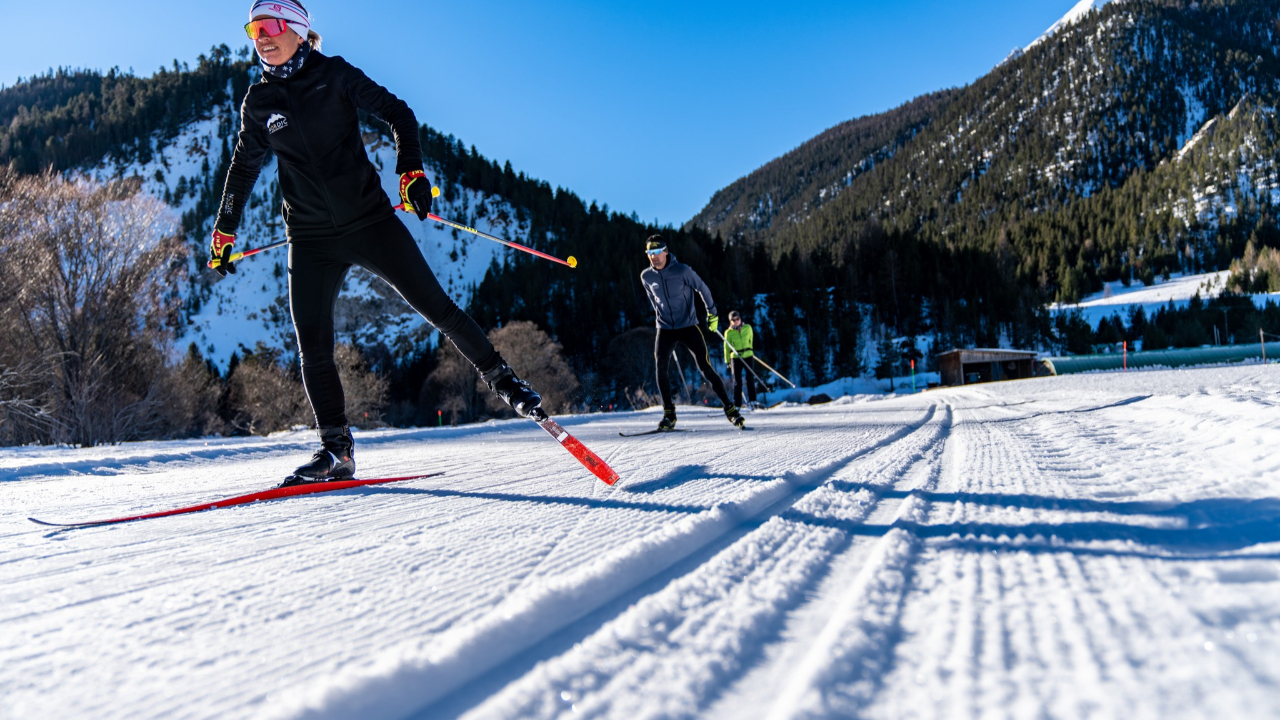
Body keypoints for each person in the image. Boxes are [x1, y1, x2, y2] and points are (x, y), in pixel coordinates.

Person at [211, 0, 542, 485]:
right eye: (254, 28)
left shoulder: (335, 75)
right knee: (313, 346)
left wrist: (411, 169)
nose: (262, 36)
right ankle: (336, 452)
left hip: (370, 221)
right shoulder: (258, 102)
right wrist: (224, 229)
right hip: (309, 238)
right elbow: (243, 168)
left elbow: (398, 113)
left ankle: (506, 382)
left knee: (437, 308)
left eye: (272, 26)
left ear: (300, 31)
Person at [639, 236, 744, 431]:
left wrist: (712, 314)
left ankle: (730, 409)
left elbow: (703, 289)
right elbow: (653, 300)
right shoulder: (646, 276)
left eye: (656, 252)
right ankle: (669, 414)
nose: (653, 257)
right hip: (665, 328)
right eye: (649, 254)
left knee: (705, 367)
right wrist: (660, 319)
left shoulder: (683, 271)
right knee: (660, 367)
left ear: (666, 252)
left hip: (688, 326)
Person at [722, 310, 759, 408]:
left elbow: (750, 339)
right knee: (737, 381)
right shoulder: (728, 332)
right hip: (736, 357)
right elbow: (726, 347)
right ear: (730, 321)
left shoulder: (748, 327)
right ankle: (737, 403)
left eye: (737, 319)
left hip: (748, 354)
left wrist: (750, 349)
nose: (735, 321)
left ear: (740, 318)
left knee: (750, 378)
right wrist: (727, 361)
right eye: (733, 320)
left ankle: (753, 400)